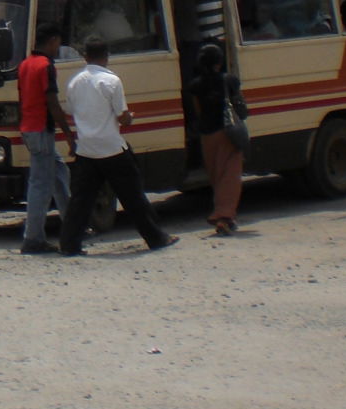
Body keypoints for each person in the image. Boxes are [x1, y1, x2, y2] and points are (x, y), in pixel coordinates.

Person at [58, 39, 178, 256]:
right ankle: (156, 237)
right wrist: (129, 118)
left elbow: (70, 110)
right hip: (111, 148)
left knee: (81, 200)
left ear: (85, 56)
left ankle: (69, 244)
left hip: (86, 148)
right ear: (106, 56)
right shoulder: (111, 81)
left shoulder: (74, 82)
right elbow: (122, 117)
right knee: (133, 196)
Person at [17, 24, 74, 254]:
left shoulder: (25, 64)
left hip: (29, 128)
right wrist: (69, 134)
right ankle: (33, 239)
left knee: (59, 173)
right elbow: (52, 103)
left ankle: (72, 226)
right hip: (41, 129)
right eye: (57, 42)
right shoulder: (46, 66)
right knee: (40, 185)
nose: (58, 47)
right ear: (51, 41)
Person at [189, 42, 246, 235]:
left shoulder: (195, 85)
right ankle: (224, 217)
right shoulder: (230, 80)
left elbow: (198, 112)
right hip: (228, 133)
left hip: (208, 136)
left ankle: (224, 214)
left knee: (216, 176)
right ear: (219, 62)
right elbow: (239, 104)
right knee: (229, 177)